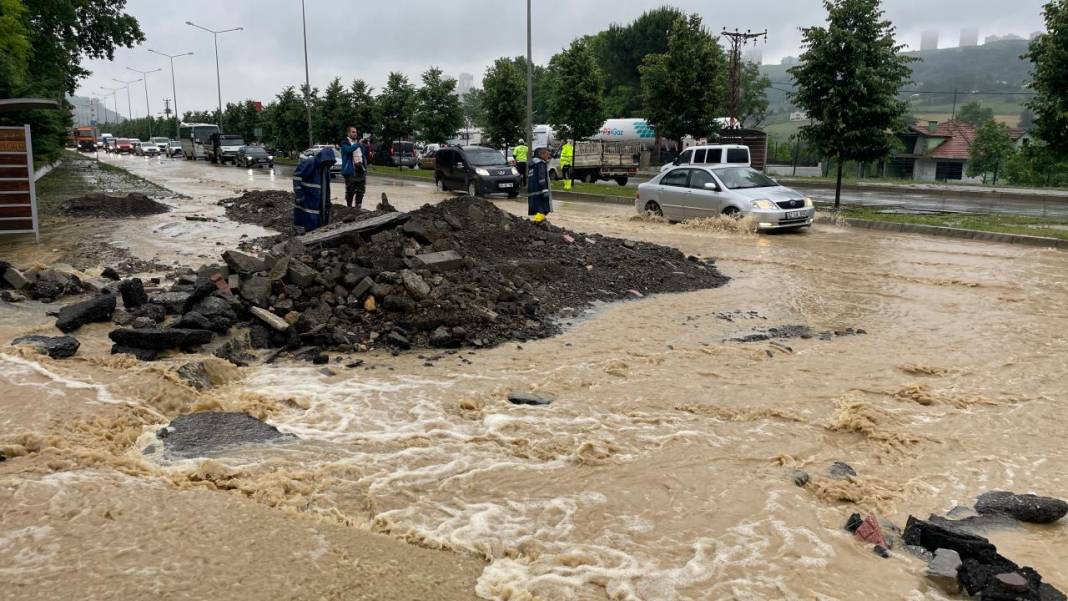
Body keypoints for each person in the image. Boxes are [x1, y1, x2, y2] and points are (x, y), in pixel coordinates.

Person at [339, 126, 366, 209]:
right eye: (353, 132)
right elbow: (348, 150)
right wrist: (358, 144)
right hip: (350, 171)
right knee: (350, 191)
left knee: (361, 190)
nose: (355, 134)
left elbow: (363, 155)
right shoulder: (344, 143)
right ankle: (349, 207)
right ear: (348, 133)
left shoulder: (358, 144)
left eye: (356, 132)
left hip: (360, 170)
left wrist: (365, 167)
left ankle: (358, 207)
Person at [526, 146, 552, 221]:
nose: (548, 156)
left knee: (538, 209)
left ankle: (538, 222)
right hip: (540, 191)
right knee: (543, 209)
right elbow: (541, 178)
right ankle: (538, 223)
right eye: (547, 154)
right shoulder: (541, 164)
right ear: (541, 155)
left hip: (533, 190)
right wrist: (545, 190)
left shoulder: (533, 164)